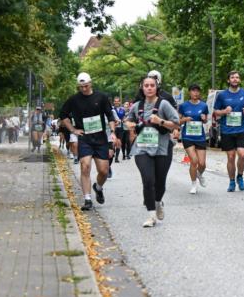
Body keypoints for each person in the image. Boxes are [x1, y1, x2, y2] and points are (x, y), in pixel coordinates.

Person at [59, 72, 120, 210]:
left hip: (100, 138)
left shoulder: (101, 97)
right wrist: (73, 129)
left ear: (90, 83)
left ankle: (98, 187)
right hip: (84, 137)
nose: (83, 89)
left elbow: (110, 115)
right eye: (81, 87)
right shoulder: (74, 100)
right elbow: (63, 115)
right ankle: (87, 199)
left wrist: (113, 133)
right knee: (85, 166)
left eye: (85, 86)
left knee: (103, 171)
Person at [126, 75, 180, 227]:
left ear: (157, 88)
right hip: (142, 148)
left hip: (162, 148)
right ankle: (151, 216)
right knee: (148, 180)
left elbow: (176, 125)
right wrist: (130, 125)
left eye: (152, 85)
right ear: (142, 88)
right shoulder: (136, 106)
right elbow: (128, 121)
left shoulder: (164, 105)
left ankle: (157, 203)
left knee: (160, 182)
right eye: (146, 85)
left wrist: (161, 121)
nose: (149, 88)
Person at [212, 70, 244, 192]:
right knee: (231, 157)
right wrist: (224, 111)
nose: (235, 79)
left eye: (237, 77)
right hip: (227, 130)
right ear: (228, 80)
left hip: (242, 129)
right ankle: (232, 181)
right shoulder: (222, 95)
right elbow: (215, 111)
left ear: (239, 80)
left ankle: (240, 176)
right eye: (232, 77)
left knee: (242, 154)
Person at [179, 84, 210, 194]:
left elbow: (206, 121)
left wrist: (204, 119)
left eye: (197, 91)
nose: (195, 93)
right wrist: (185, 119)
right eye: (193, 91)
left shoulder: (204, 106)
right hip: (187, 136)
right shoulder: (183, 106)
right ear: (189, 92)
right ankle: (193, 185)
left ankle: (199, 174)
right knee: (194, 161)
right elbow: (177, 121)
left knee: (202, 164)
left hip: (200, 136)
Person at [112, 96, 127, 162]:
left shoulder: (122, 109)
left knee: (119, 142)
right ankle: (113, 152)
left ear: (120, 102)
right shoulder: (111, 109)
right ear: (113, 102)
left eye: (118, 101)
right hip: (114, 127)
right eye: (115, 101)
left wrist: (124, 120)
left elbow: (123, 117)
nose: (116, 102)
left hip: (120, 127)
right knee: (113, 142)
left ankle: (116, 158)